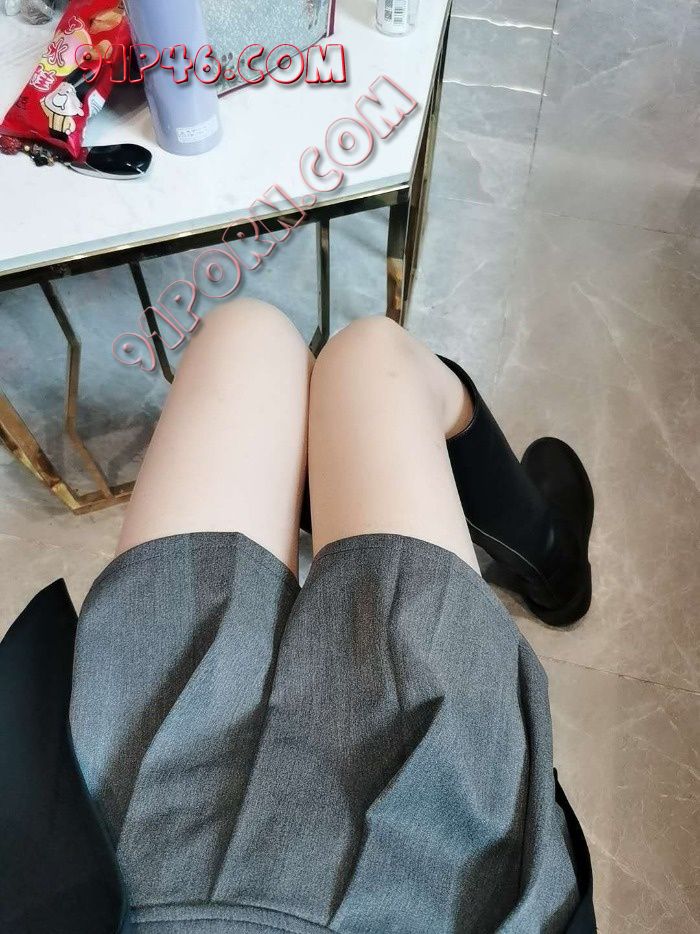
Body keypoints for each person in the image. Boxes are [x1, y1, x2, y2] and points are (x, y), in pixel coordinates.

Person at [0, 300, 595, 933]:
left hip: (99, 854)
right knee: (372, 357)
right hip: (424, 880)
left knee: (246, 335)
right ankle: (548, 556)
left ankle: (322, 484)